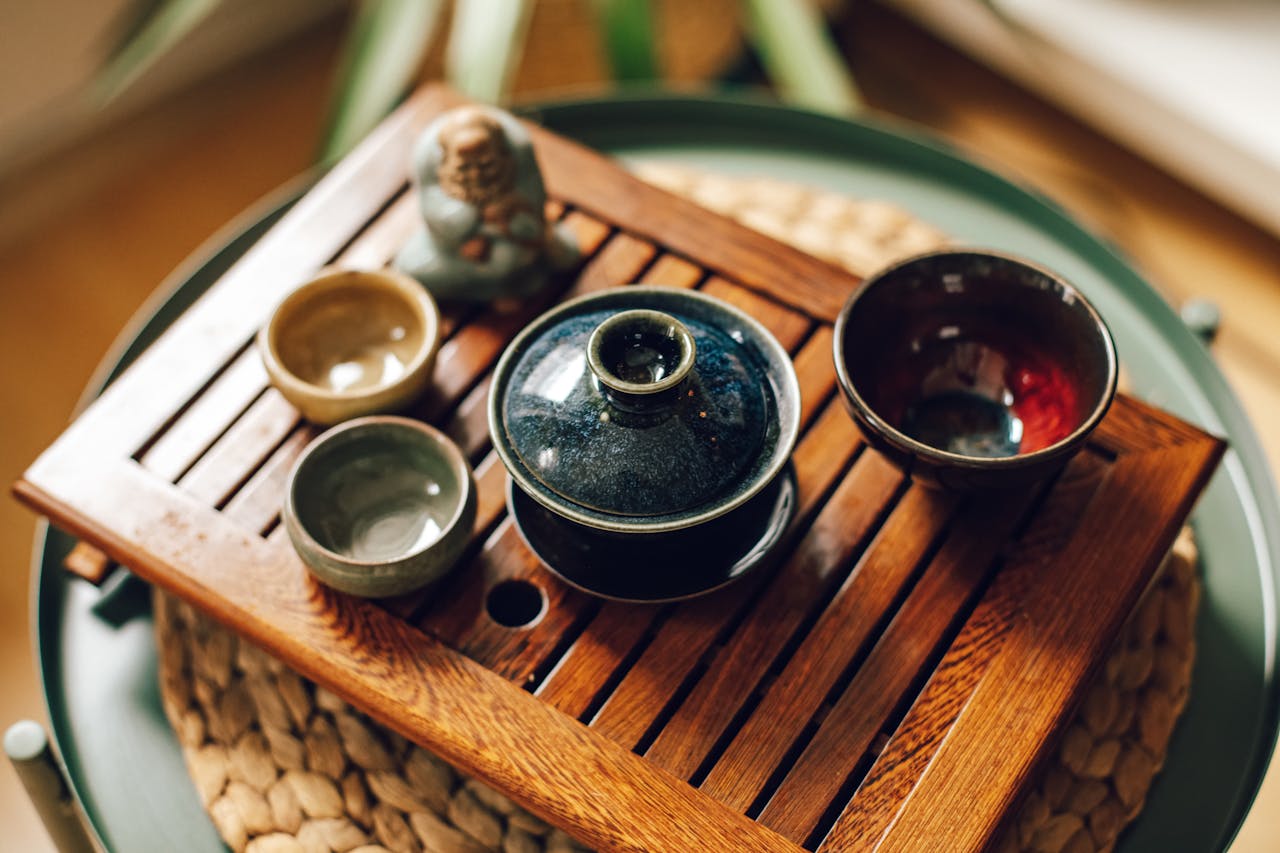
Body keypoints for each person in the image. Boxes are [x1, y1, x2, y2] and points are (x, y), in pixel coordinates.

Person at [395, 106, 576, 300]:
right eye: (464, 168)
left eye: (486, 165)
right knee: (411, 270)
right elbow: (435, 215)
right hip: (448, 253)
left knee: (510, 260)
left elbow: (531, 220)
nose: (476, 175)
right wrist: (471, 225)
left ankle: (512, 284)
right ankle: (501, 288)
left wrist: (501, 222)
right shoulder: (429, 162)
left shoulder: (519, 154)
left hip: (510, 247)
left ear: (503, 154)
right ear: (446, 160)